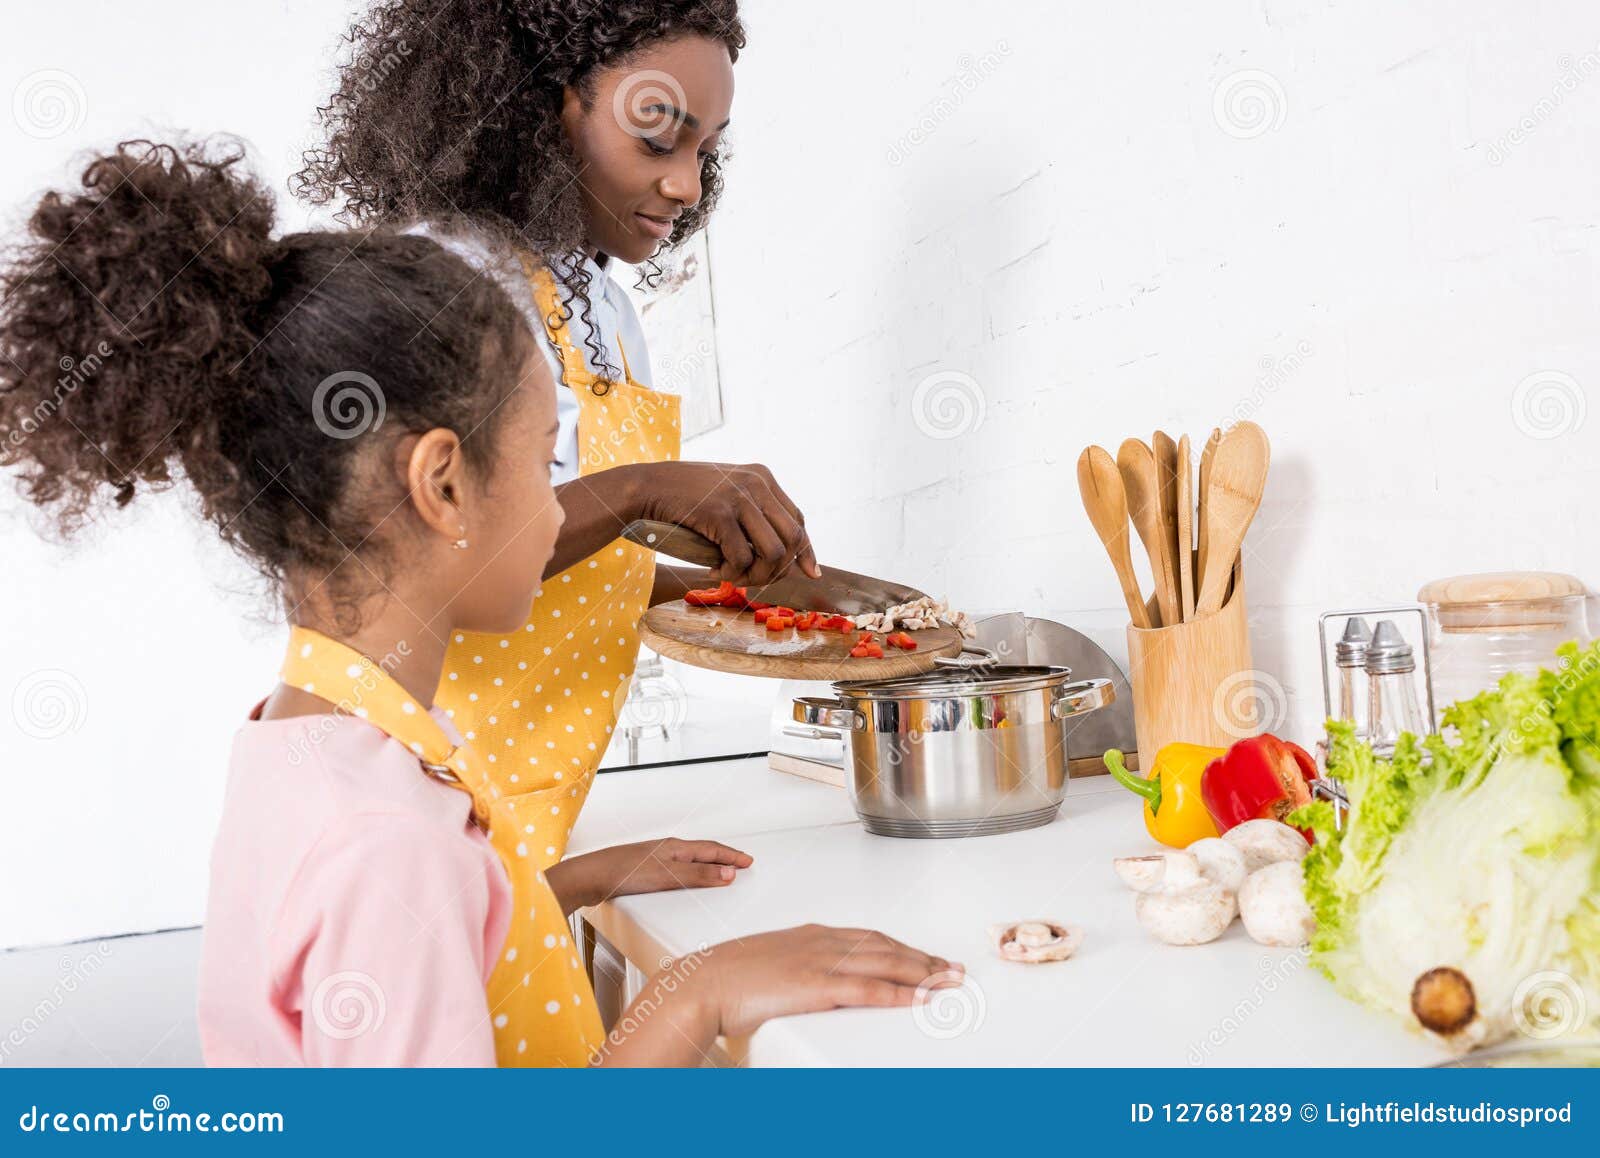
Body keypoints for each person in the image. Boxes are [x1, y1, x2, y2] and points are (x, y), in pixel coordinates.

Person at [0, 141, 960, 1066]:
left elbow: (421, 943)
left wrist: (570, 884)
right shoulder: (387, 847)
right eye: (548, 464)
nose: (563, 509)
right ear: (443, 486)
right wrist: (697, 990)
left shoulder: (310, 747)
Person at [295, 0, 807, 866]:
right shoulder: (439, 286)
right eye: (659, 141)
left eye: (705, 151)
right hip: (417, 798)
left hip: (533, 812)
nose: (686, 184)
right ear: (542, 106)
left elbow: (570, 567)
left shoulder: (602, 306)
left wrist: (738, 595)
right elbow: (425, 560)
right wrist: (646, 488)